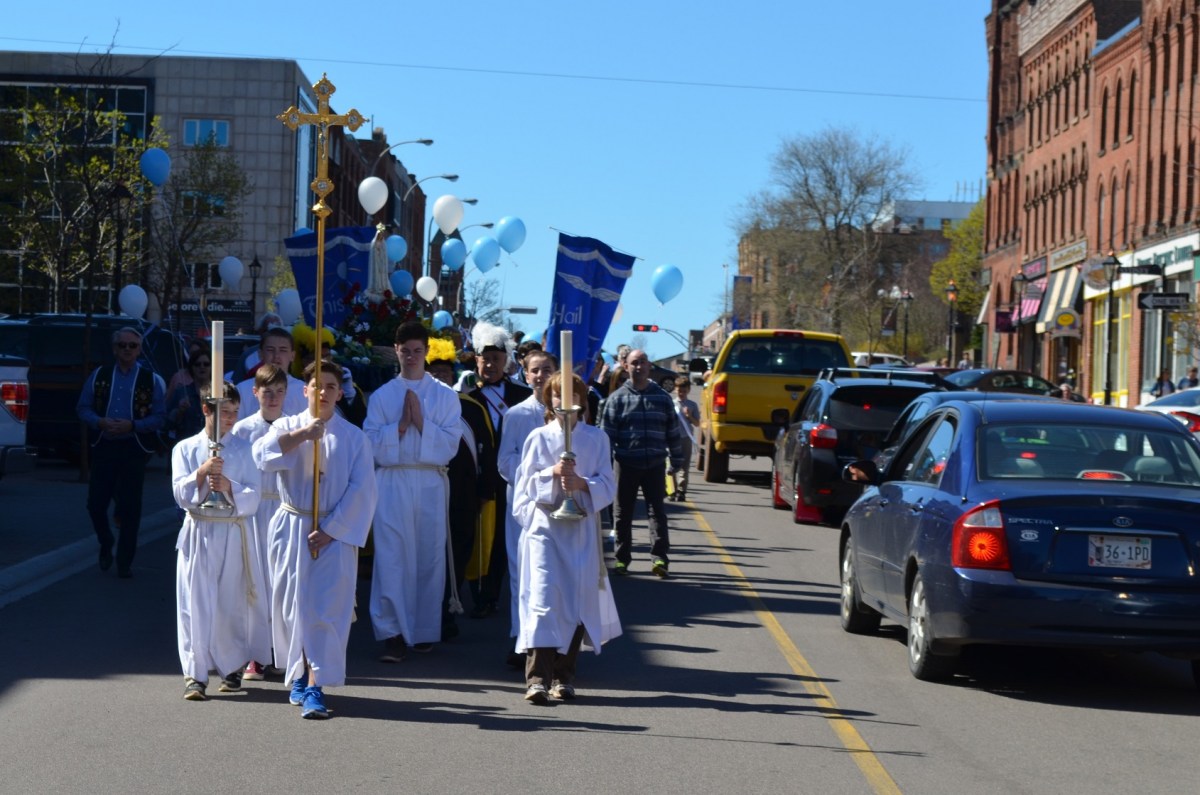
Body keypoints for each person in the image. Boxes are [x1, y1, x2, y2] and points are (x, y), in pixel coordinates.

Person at [252, 359, 378, 720]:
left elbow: (363, 491)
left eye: (331, 387)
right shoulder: (288, 426)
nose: (323, 392)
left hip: (332, 534)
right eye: (316, 386)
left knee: (325, 609)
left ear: (340, 393)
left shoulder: (354, 437)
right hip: (292, 525)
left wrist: (332, 530)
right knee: (291, 606)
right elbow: (262, 457)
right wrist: (304, 436)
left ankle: (315, 684)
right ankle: (295, 673)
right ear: (303, 390)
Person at [514, 373, 621, 704]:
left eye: (571, 394)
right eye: (557, 395)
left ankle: (564, 676)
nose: (565, 401)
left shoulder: (596, 439)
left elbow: (608, 482)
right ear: (550, 401)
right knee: (544, 600)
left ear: (582, 399)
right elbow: (525, 485)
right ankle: (536, 679)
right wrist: (552, 475)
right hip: (545, 530)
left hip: (580, 531)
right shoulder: (538, 437)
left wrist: (583, 485)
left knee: (575, 600)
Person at [365, 322, 462, 661]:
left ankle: (422, 629)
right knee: (392, 556)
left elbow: (450, 445)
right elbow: (372, 446)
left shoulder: (444, 396)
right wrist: (401, 426)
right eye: (405, 350)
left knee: (427, 555)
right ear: (396, 350)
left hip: (430, 482)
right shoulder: (381, 397)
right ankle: (391, 632)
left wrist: (422, 421)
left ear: (426, 351)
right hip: (392, 482)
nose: (411, 356)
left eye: (417, 350)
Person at [172, 382, 270, 701]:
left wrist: (228, 485)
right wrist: (200, 473)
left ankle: (231, 667)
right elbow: (180, 495)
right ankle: (196, 674)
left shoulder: (246, 449)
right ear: (206, 409)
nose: (230, 419)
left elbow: (254, 498)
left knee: (231, 601)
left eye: (234, 413)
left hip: (232, 530)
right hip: (200, 530)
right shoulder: (185, 449)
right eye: (224, 412)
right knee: (195, 603)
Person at [76, 326, 167, 579]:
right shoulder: (100, 375)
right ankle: (106, 541)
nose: (127, 350)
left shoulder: (151, 379)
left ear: (139, 350)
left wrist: (134, 425)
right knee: (96, 504)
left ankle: (124, 561)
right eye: (122, 345)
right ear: (114, 349)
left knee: (130, 507)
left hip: (133, 447)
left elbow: (160, 417)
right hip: (105, 445)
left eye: (133, 346)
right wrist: (99, 421)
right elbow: (82, 408)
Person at [426, 338, 495, 645]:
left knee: (458, 552)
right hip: (427, 493)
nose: (440, 379)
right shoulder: (418, 403)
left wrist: (485, 491)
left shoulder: (472, 408)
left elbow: (487, 452)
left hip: (463, 497)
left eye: (444, 373)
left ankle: (448, 611)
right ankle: (430, 613)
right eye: (434, 374)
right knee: (429, 555)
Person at [466, 322, 532, 618]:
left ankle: (505, 594)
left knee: (510, 542)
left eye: (496, 359)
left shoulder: (523, 395)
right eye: (485, 359)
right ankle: (481, 595)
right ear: (476, 360)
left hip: (517, 479)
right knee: (481, 540)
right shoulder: (467, 399)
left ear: (506, 361)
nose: (490, 364)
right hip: (480, 480)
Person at [600, 349, 684, 578]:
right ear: (626, 367)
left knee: (657, 512)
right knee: (622, 513)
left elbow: (673, 432)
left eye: (643, 362)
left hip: (655, 464)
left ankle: (659, 559)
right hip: (625, 464)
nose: (639, 366)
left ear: (649, 366)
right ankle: (621, 560)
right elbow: (606, 437)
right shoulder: (616, 400)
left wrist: (677, 460)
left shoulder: (662, 398)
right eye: (634, 363)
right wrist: (603, 466)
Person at [229, 363, 290, 681]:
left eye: (280, 392)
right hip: (252, 515)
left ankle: (282, 652)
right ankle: (254, 655)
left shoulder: (291, 427)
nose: (274, 398)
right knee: (252, 585)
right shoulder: (242, 429)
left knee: (280, 585)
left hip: (281, 512)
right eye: (267, 392)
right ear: (255, 394)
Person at [496, 348, 558, 659]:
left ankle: (553, 642)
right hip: (523, 503)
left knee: (552, 572)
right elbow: (504, 460)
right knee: (521, 571)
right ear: (526, 374)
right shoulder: (516, 414)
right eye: (534, 370)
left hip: (557, 504)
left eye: (546, 369)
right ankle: (522, 639)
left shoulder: (568, 413)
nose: (540, 376)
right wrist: (535, 475)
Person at [236, 327, 307, 420]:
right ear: (260, 354)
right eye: (270, 350)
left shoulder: (304, 391)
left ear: (292, 356)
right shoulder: (242, 389)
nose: (276, 356)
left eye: (283, 350)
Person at [166, 351, 211, 445]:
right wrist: (179, 411)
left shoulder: (220, 393)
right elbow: (166, 424)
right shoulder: (181, 392)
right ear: (191, 368)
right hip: (187, 445)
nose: (202, 367)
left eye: (206, 364)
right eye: (197, 364)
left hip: (211, 446)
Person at [671, 376, 700, 501]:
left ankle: (681, 491)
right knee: (671, 465)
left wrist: (689, 416)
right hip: (672, 438)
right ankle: (671, 489)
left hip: (685, 438)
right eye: (678, 391)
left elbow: (697, 423)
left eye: (683, 391)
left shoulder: (692, 405)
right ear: (675, 390)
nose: (681, 393)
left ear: (688, 390)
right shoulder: (671, 404)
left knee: (684, 465)